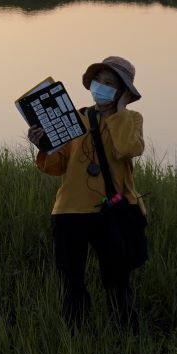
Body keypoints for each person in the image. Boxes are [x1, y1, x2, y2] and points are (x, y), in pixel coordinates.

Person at [28, 55, 145, 329]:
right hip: (70, 210)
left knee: (117, 280)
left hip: (113, 209)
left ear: (123, 91)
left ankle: (126, 335)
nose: (100, 87)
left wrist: (120, 111)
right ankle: (76, 335)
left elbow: (128, 148)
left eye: (109, 83)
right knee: (71, 281)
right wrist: (43, 145)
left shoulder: (131, 119)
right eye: (98, 81)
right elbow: (56, 166)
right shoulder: (75, 119)